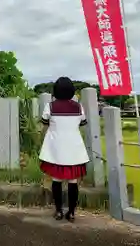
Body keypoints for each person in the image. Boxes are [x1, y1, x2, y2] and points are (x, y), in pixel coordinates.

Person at [39, 77, 89, 222]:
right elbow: (82, 123)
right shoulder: (78, 107)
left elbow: (44, 122)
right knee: (73, 180)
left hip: (56, 148)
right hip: (74, 148)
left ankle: (59, 211)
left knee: (57, 179)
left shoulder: (50, 106)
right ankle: (72, 213)